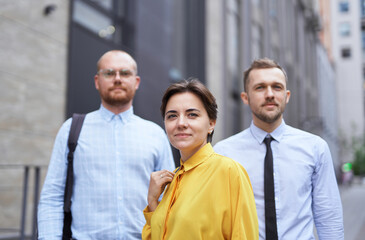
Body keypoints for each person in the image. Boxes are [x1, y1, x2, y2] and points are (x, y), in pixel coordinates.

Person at [37, 50, 175, 239]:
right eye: (109, 73)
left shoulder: (156, 135)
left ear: (136, 82)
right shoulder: (72, 129)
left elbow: (169, 199)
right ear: (97, 81)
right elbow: (52, 196)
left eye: (125, 73)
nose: (117, 79)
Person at [214, 58, 344, 240]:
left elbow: (328, 217)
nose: (270, 94)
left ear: (287, 95)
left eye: (277, 87)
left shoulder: (315, 148)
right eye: (260, 87)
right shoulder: (223, 153)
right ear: (245, 97)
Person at [142, 79, 259, 240]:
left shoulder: (229, 172)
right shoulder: (172, 181)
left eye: (192, 115)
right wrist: (153, 202)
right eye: (172, 116)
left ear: (211, 123)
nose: (181, 123)